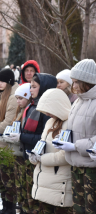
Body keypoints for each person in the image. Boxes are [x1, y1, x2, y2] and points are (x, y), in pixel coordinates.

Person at [6, 73, 57, 213]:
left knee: (36, 201)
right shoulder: (33, 106)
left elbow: (45, 138)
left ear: (44, 87)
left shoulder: (46, 109)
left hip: (39, 160)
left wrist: (21, 137)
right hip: (27, 156)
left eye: (34, 87)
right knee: (26, 196)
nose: (31, 90)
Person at [53, 59, 96, 213]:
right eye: (73, 81)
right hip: (76, 166)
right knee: (78, 209)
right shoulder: (78, 101)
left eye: (77, 82)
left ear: (88, 81)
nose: (74, 86)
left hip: (91, 169)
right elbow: (74, 129)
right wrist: (63, 140)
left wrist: (75, 146)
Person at [24, 89, 73, 213]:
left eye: (49, 109)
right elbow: (42, 144)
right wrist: (34, 156)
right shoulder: (50, 122)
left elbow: (65, 155)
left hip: (58, 182)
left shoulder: (69, 124)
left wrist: (42, 159)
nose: (46, 113)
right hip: (44, 181)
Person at [1, 83, 31, 213]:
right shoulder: (19, 111)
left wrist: (18, 137)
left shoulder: (29, 111)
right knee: (19, 188)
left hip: (22, 154)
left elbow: (26, 134)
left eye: (20, 98)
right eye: (17, 98)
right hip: (15, 153)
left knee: (24, 188)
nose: (18, 102)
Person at [0, 69, 19, 213]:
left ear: (9, 82)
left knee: (8, 180)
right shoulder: (0, 95)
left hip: (5, 146)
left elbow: (9, 123)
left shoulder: (13, 97)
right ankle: (5, 207)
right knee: (1, 180)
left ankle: (9, 209)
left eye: (3, 81)